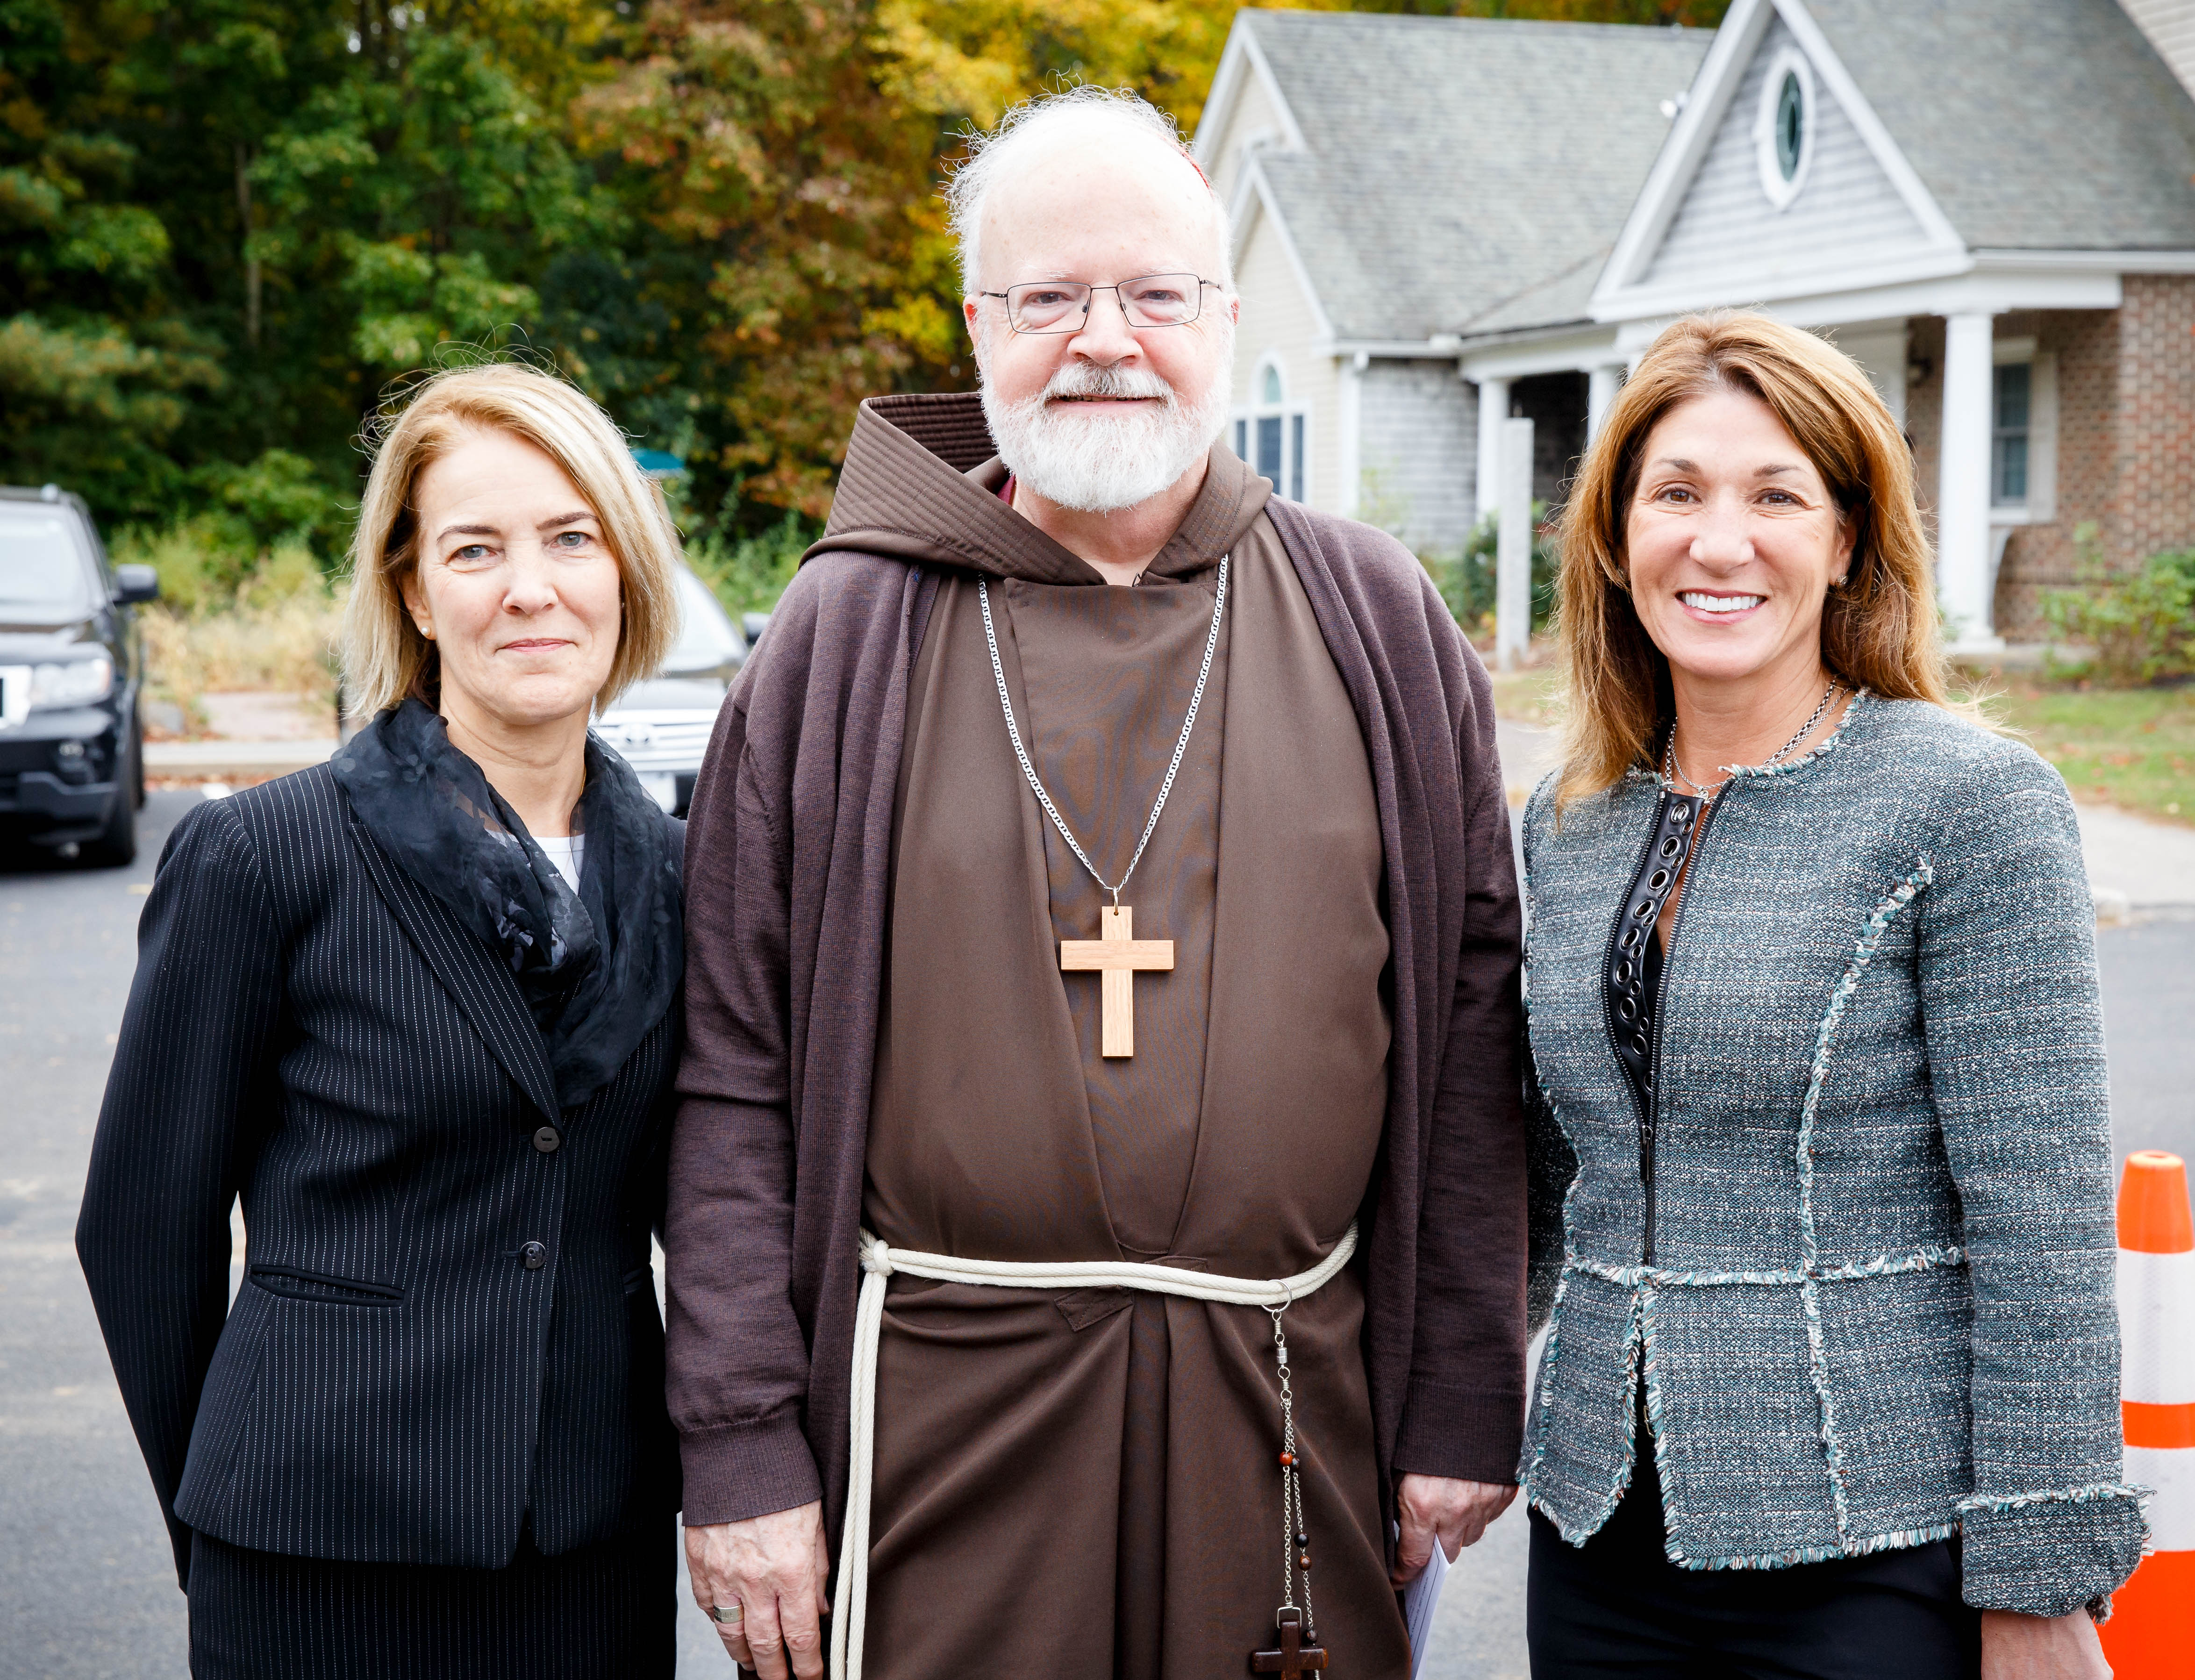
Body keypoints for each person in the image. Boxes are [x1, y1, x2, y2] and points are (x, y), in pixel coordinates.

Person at [666, 86, 1527, 1680]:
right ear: (978, 322)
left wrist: (1467, 1386)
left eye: (1151, 294)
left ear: (1224, 316)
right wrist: (738, 1448)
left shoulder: (1373, 615)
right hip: (933, 1413)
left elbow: (1474, 1030)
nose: (1103, 338)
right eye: (1050, 296)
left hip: (1288, 1405)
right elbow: (731, 1063)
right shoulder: (841, 636)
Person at [1516, 312, 2142, 1680]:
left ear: (1848, 537)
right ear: (1616, 538)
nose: (1718, 540)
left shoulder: (1964, 804)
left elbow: (2036, 1225)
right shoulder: (1563, 824)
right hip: (1596, 1534)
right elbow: (1543, 1181)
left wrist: (2038, 1575)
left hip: (1875, 1539)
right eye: (1674, 493)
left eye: (1775, 494)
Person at [76, 362, 690, 1679]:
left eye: (570, 538)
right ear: (413, 589)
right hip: (314, 1555)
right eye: (476, 547)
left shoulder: (688, 874)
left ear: (625, 573)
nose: (531, 587)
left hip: (590, 1553)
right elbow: (142, 1227)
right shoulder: (264, 855)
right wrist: (231, 1511)